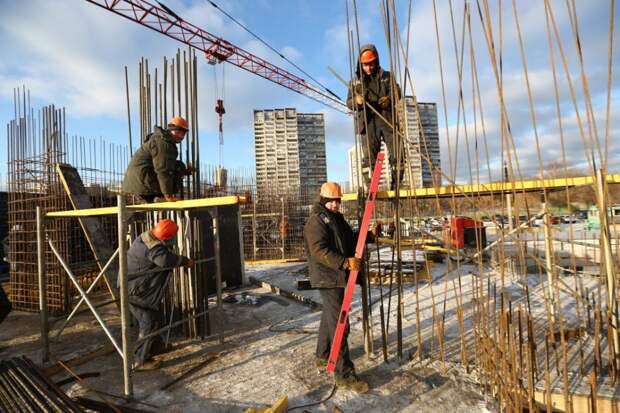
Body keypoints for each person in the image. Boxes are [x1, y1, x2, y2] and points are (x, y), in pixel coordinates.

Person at [303, 182, 379, 393]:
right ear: (324, 200)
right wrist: (345, 263)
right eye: (332, 201)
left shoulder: (336, 218)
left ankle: (323, 355)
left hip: (336, 275)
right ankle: (344, 374)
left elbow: (349, 240)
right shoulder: (316, 221)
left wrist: (369, 236)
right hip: (328, 276)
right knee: (339, 324)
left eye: (338, 201)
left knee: (330, 317)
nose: (336, 205)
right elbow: (319, 250)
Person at [125, 219, 193, 370]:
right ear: (167, 237)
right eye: (174, 236)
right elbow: (164, 260)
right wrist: (184, 260)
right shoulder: (153, 246)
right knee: (148, 322)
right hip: (135, 292)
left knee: (154, 319)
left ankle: (156, 348)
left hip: (136, 288)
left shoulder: (147, 237)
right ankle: (140, 361)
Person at [346, 44, 402, 189]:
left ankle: (395, 185)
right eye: (365, 65)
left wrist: (389, 99)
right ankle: (372, 186)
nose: (368, 68)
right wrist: (357, 102)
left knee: (398, 154)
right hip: (368, 122)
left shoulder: (387, 77)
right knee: (369, 158)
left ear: (376, 62)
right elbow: (349, 102)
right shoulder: (355, 82)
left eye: (371, 64)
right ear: (360, 64)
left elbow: (397, 93)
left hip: (387, 119)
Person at [122, 117, 195, 203]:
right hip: (142, 185)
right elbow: (164, 170)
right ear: (170, 130)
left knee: (178, 166)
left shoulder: (161, 140)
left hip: (138, 182)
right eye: (177, 132)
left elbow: (166, 165)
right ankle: (158, 196)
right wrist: (168, 195)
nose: (180, 136)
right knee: (177, 167)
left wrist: (185, 171)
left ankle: (157, 197)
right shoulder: (164, 144)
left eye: (183, 134)